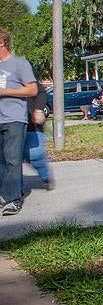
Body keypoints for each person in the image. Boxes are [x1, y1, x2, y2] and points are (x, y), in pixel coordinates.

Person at [0, 29, 37, 216]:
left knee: (12, 160)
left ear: (2, 42)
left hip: (14, 118)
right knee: (1, 161)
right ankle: (6, 194)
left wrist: (5, 92)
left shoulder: (19, 63)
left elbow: (32, 89)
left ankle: (13, 200)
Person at [25, 81, 53, 190]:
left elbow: (41, 91)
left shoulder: (25, 76)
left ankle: (46, 176)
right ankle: (15, 189)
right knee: (12, 160)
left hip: (32, 124)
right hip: (11, 125)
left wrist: (38, 109)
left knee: (34, 155)